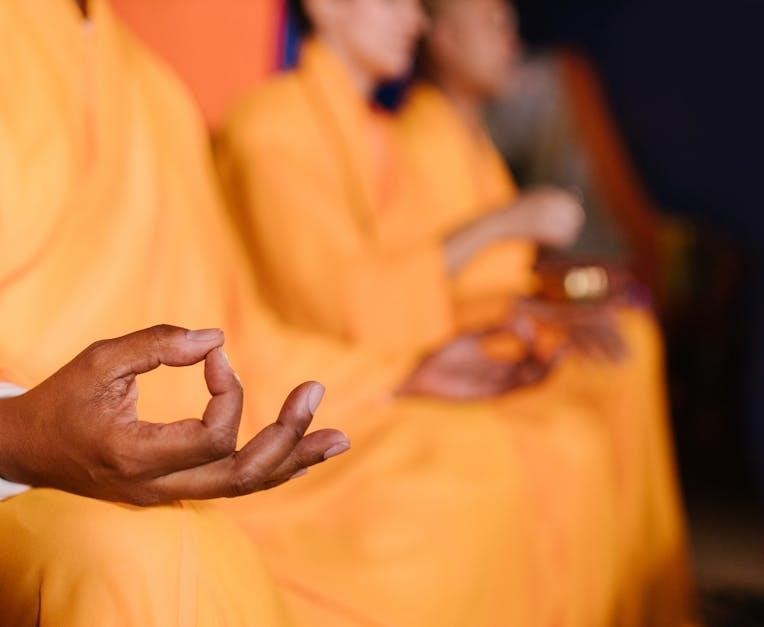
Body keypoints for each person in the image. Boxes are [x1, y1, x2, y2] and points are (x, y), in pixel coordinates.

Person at [0, 1, 550, 625]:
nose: (414, 18)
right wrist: (13, 434)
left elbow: (237, 336)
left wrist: (397, 375)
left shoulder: (154, 90)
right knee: (147, 556)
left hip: (191, 461)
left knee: (468, 468)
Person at [216, 0, 692, 624]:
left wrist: (535, 306)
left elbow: (410, 286)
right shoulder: (271, 127)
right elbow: (343, 306)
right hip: (311, 382)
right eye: (395, 2)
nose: (412, 22)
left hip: (395, 352)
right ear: (325, 6)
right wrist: (502, 232)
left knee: (597, 389)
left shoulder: (372, 136)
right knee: (509, 461)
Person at [401, 0, 692, 623]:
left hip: (506, 323)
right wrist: (513, 229)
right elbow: (419, 283)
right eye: (491, 23)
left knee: (631, 332)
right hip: (469, 342)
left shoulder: (474, 144)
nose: (510, 38)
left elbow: (498, 278)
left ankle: (637, 591)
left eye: (510, 23)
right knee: (612, 375)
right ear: (442, 38)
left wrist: (565, 303)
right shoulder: (418, 137)